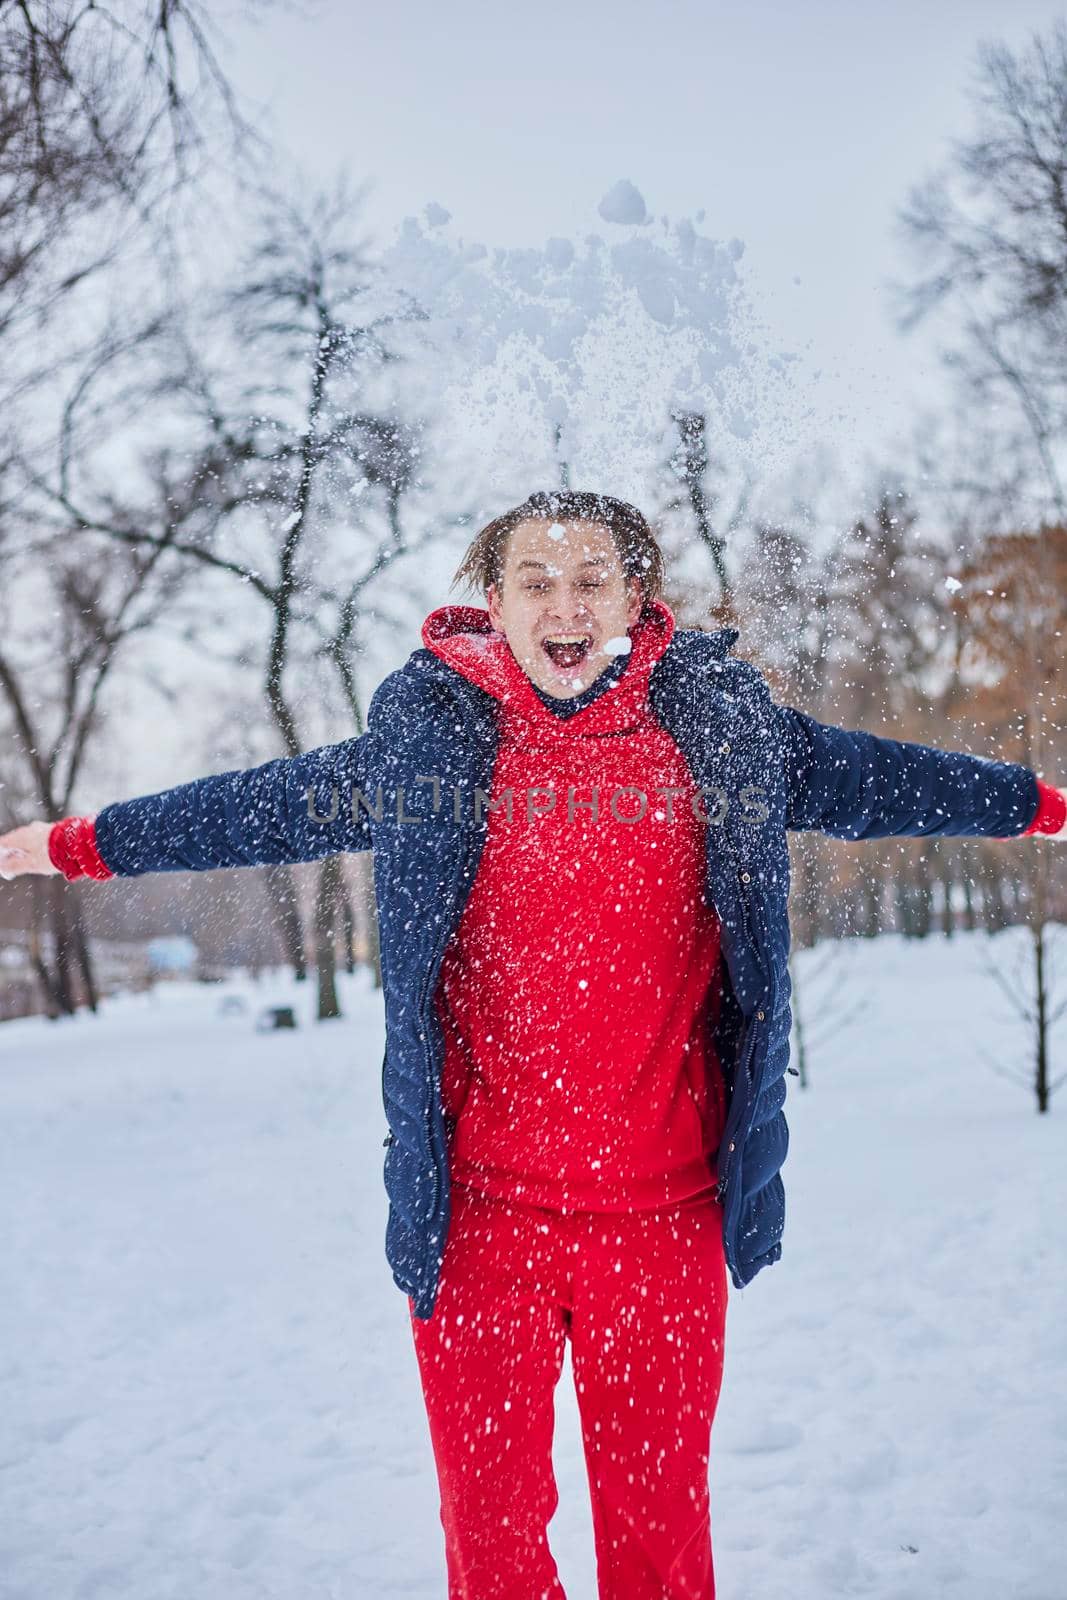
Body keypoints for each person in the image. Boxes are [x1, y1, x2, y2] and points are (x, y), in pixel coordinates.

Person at [2, 488, 1064, 1599]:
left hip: (662, 1222)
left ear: (636, 597)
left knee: (659, 1547)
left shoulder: (722, 733)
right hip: (479, 1227)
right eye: (536, 582)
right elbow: (258, 807)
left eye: (591, 578)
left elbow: (885, 779)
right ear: (493, 602)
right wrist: (78, 845)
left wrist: (1037, 805)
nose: (564, 603)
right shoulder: (431, 743)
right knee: (494, 1553)